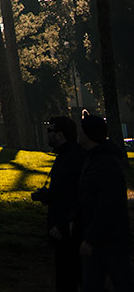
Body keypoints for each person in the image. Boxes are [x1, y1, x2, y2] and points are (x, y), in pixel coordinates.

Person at [76, 110, 133, 292]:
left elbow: (107, 204)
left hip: (108, 239)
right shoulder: (97, 159)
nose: (79, 134)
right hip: (105, 237)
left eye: (82, 131)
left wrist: (90, 238)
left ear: (89, 134)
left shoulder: (103, 163)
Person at [32, 115, 83, 292]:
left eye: (50, 130)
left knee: (69, 277)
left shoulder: (71, 158)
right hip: (64, 226)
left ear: (60, 134)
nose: (47, 134)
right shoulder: (67, 156)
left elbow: (77, 195)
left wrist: (63, 224)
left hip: (68, 229)